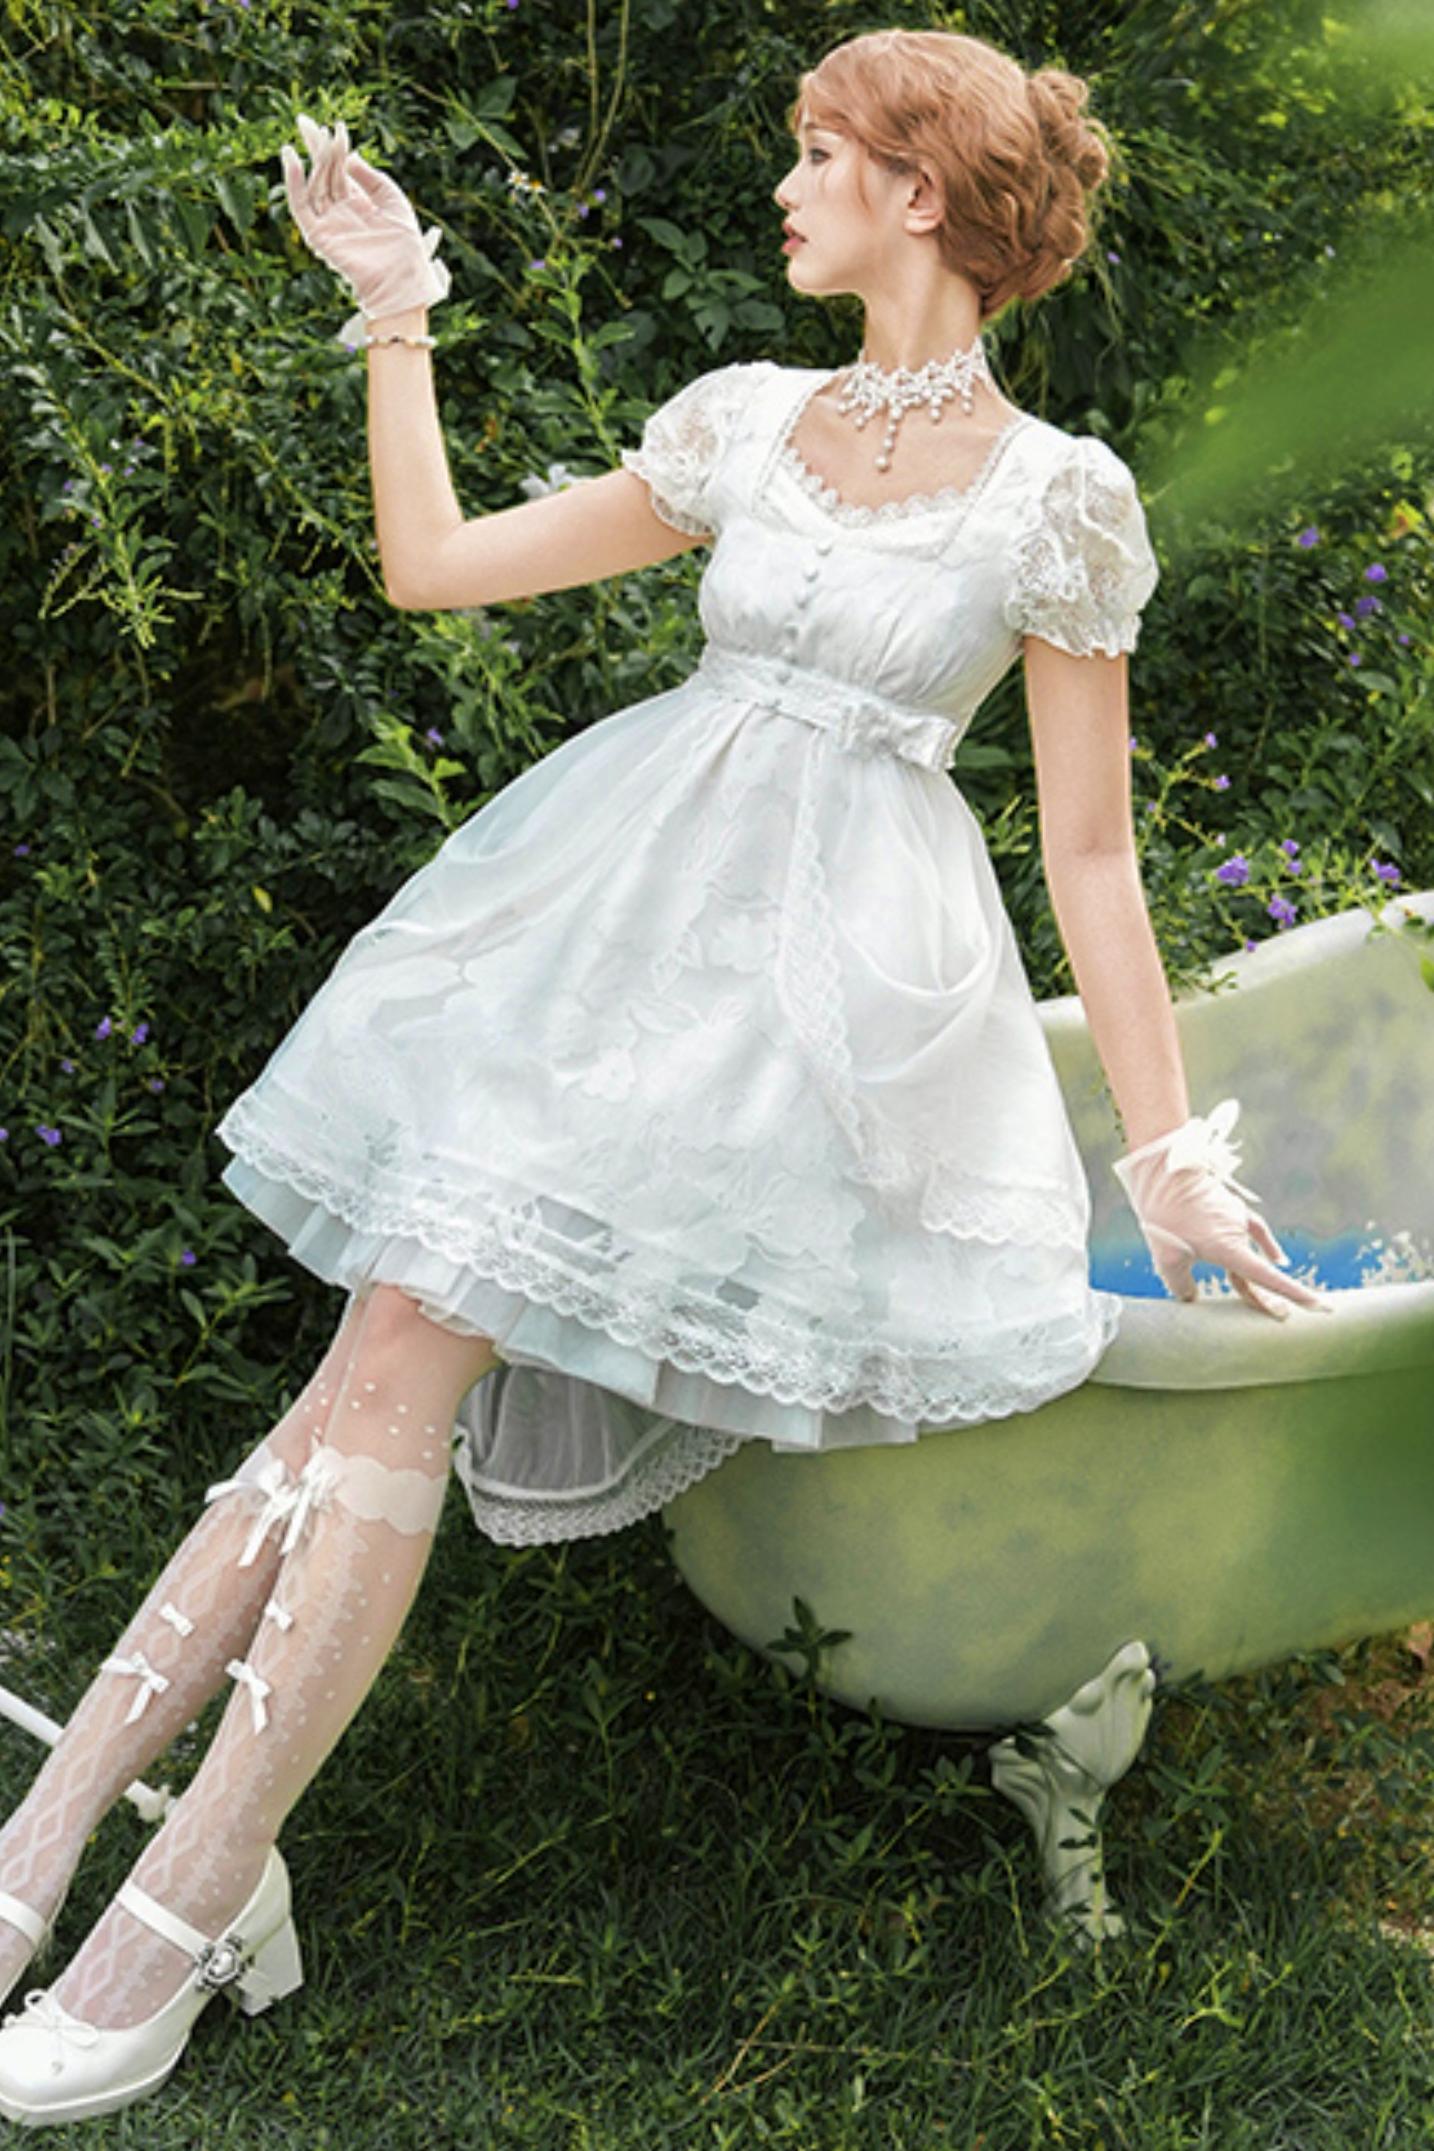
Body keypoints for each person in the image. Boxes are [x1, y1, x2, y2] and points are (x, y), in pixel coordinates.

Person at [0, 25, 1333, 2125]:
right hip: (599, 947)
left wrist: (1165, 1152)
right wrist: (396, 314)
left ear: (919, 192)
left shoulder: (1057, 499)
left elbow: (1092, 855)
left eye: (820, 152)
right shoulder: (746, 420)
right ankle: (89, 1861)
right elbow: (436, 566)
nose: (785, 187)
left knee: (386, 1362)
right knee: (368, 1373)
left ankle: (154, 1914)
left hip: (803, 1030)